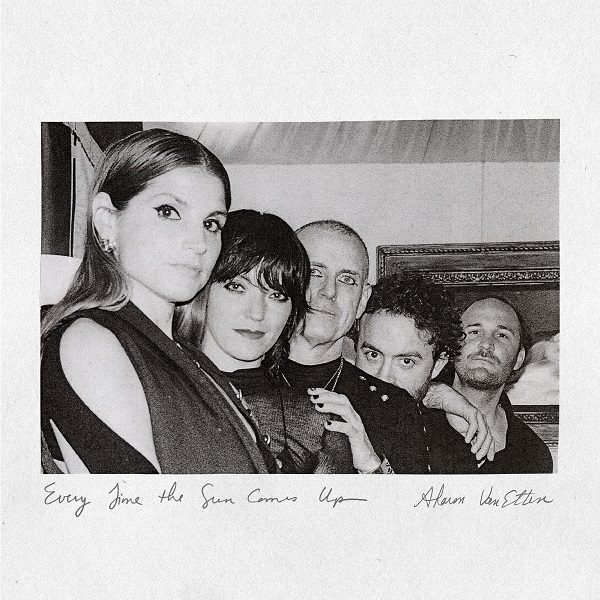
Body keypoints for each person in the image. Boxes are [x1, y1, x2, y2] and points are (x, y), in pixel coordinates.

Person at [41, 129, 276, 474]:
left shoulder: (189, 355)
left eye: (211, 223)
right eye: (168, 211)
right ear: (107, 220)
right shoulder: (92, 343)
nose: (199, 243)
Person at [178, 210, 385, 473]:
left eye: (277, 295)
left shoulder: (320, 422)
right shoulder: (150, 383)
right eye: (237, 287)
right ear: (203, 285)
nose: (257, 313)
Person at [282, 221, 492, 473]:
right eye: (314, 272)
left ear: (362, 300)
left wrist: (372, 468)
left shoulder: (397, 409)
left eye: (347, 279)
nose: (329, 291)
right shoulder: (242, 376)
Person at [354, 272, 494, 473]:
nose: (383, 377)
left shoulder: (452, 452)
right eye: (373, 355)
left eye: (406, 361)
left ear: (438, 365)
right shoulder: (325, 413)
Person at [442, 297, 553, 473]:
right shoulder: (413, 422)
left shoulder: (533, 454)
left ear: (519, 359)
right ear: (452, 346)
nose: (486, 344)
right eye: (474, 332)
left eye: (502, 335)